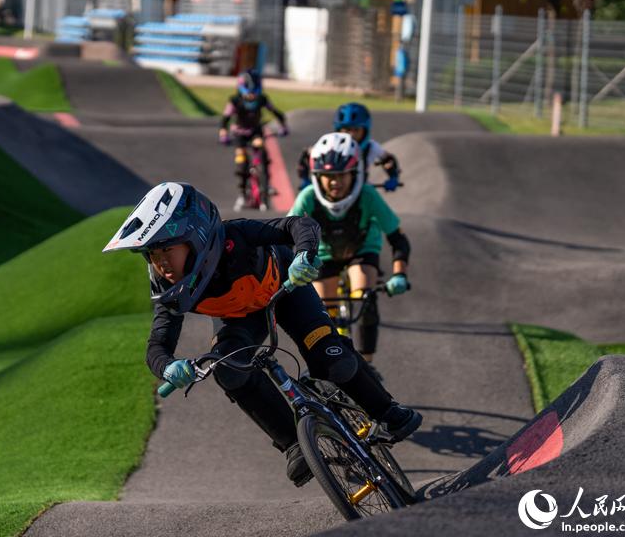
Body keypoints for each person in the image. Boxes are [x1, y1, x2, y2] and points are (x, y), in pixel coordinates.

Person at [104, 182, 422, 487]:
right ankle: (294, 445)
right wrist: (167, 367)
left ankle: (387, 411)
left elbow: (299, 225)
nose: (161, 265)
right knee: (229, 372)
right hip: (240, 320)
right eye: (152, 256)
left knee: (330, 358)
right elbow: (157, 346)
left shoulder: (236, 235)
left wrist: (304, 255)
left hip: (288, 290)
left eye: (166, 251)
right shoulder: (171, 292)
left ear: (197, 237)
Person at [289, 133, 411, 379]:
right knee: (322, 311)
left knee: (364, 297)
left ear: (354, 173)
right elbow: (285, 237)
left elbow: (398, 238)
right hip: (323, 255)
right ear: (317, 177)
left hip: (361, 250)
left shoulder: (368, 195)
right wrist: (296, 264)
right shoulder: (308, 198)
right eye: (328, 177)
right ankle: (331, 356)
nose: (335, 183)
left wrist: (399, 274)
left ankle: (366, 363)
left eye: (341, 175)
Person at [219, 69, 289, 211]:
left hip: (256, 132)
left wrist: (283, 126)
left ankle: (266, 184)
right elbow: (225, 118)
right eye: (249, 92)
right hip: (239, 134)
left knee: (262, 154)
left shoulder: (262, 99)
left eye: (254, 92)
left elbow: (276, 112)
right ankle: (242, 192)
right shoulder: (235, 100)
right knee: (241, 159)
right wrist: (223, 133)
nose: (251, 96)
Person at [297, 102, 400, 191]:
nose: (351, 135)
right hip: (331, 194)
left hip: (360, 195)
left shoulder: (371, 147)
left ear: (365, 131)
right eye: (346, 130)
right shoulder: (328, 145)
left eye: (356, 130)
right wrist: (305, 179)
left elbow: (389, 160)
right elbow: (306, 157)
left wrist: (393, 178)